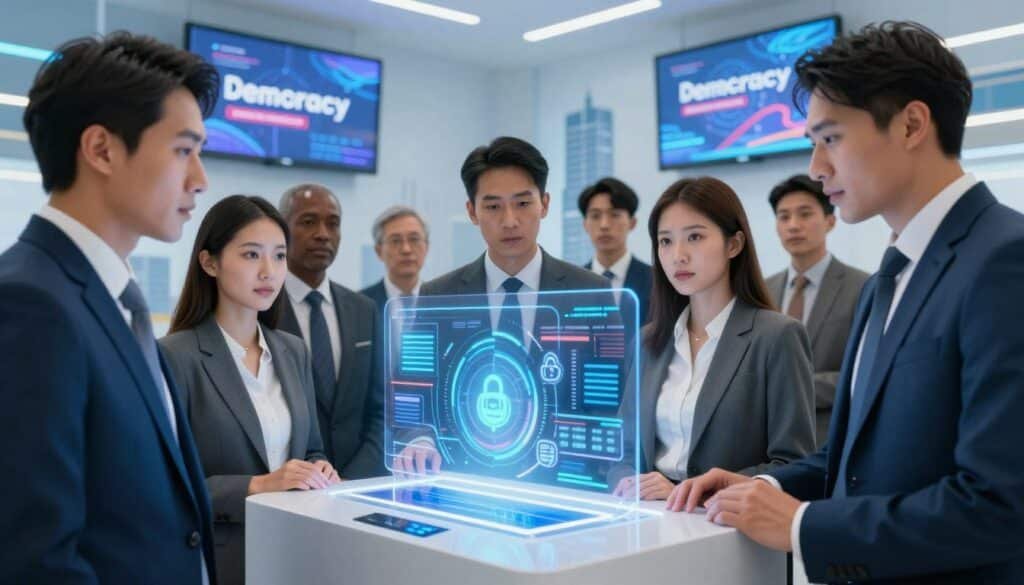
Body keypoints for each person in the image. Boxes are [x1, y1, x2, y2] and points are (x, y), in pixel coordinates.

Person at [669, 21, 1024, 584]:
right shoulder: (890, 275)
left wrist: (802, 526)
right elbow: (857, 460)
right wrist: (764, 486)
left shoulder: (1005, 260)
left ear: (911, 124)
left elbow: (1000, 504)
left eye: (830, 138)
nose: (816, 167)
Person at [0, 32, 218, 583]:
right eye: (183, 150)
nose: (200, 179)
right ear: (101, 149)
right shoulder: (31, 304)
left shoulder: (114, 302)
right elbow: (35, 558)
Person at [392, 136, 610, 476]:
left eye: (523, 203)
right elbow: (412, 394)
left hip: (563, 479)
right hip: (466, 479)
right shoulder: (439, 297)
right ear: (472, 212)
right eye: (493, 207)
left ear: (545, 204)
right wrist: (420, 439)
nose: (509, 221)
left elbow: (608, 402)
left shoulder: (590, 292)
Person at [160, 195, 340, 585]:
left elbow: (312, 449)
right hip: (218, 561)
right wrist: (257, 485)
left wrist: (320, 469)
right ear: (209, 263)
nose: (268, 271)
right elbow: (164, 488)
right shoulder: (174, 356)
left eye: (279, 256)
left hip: (294, 552)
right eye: (251, 255)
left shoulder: (292, 351)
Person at [609, 177, 815, 500]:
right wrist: (629, 482)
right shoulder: (648, 342)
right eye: (665, 241)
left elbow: (794, 466)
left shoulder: (777, 337)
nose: (678, 255)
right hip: (649, 518)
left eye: (694, 237)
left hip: (729, 524)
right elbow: (622, 453)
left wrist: (689, 493)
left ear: (734, 244)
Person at [276, 183, 385, 479]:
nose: (323, 234)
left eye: (333, 224)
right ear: (282, 230)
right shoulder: (262, 311)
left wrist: (350, 480)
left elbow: (380, 409)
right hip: (288, 486)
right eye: (308, 222)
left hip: (356, 483)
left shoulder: (363, 309)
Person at [765, 174, 868, 446]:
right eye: (784, 217)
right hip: (767, 442)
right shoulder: (762, 291)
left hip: (832, 439)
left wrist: (789, 388)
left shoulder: (863, 287)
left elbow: (865, 373)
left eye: (805, 214)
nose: (793, 225)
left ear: (830, 221)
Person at [580, 177, 653, 324]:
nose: (604, 225)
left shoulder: (655, 281)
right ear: (585, 224)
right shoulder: (573, 283)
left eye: (614, 215)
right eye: (595, 216)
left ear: (632, 223)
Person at [360, 205, 430, 315]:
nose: (406, 249)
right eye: (395, 241)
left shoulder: (440, 300)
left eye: (414, 239)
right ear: (379, 251)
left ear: (427, 247)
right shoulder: (360, 304)